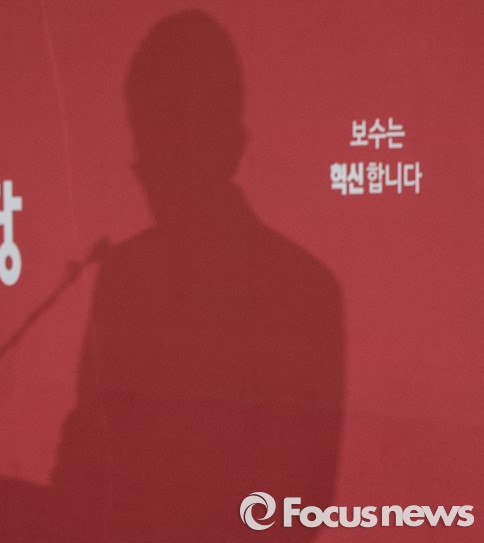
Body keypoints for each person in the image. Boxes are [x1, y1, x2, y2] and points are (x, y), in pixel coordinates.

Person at [52, 10, 345, 542]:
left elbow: (299, 501)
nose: (150, 170)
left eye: (174, 138)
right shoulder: (122, 278)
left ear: (231, 145)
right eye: (146, 139)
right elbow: (83, 462)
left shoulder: (304, 295)